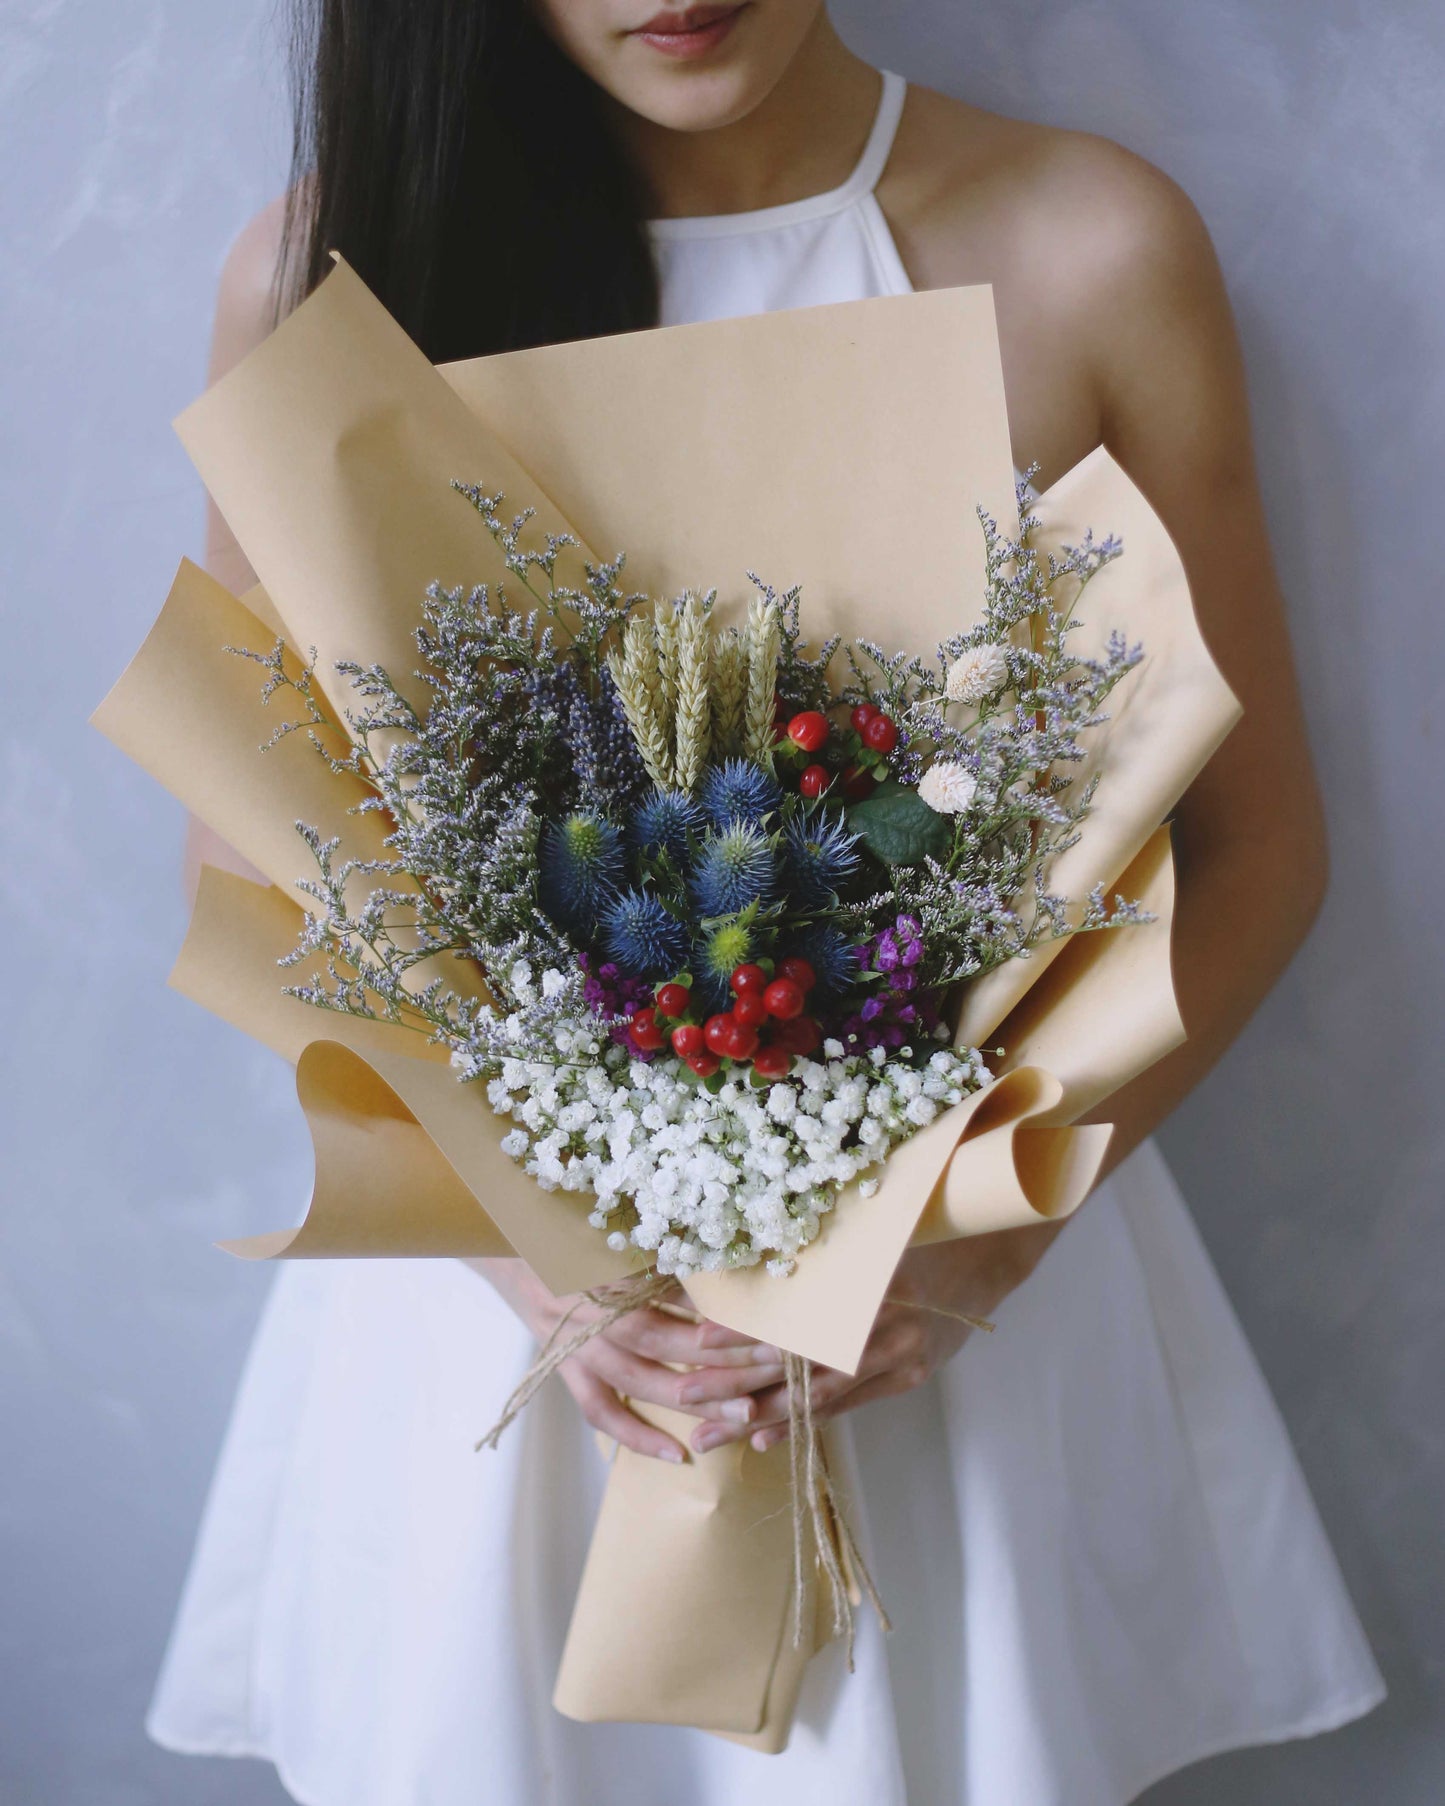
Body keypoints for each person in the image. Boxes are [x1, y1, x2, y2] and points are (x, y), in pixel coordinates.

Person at [152, 4, 1385, 1802]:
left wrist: (986, 1242)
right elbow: (253, 853)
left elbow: (1258, 847)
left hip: (949, 1318)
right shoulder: (342, 262)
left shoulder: (1081, 242)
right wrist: (529, 1262)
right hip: (507, 1345)